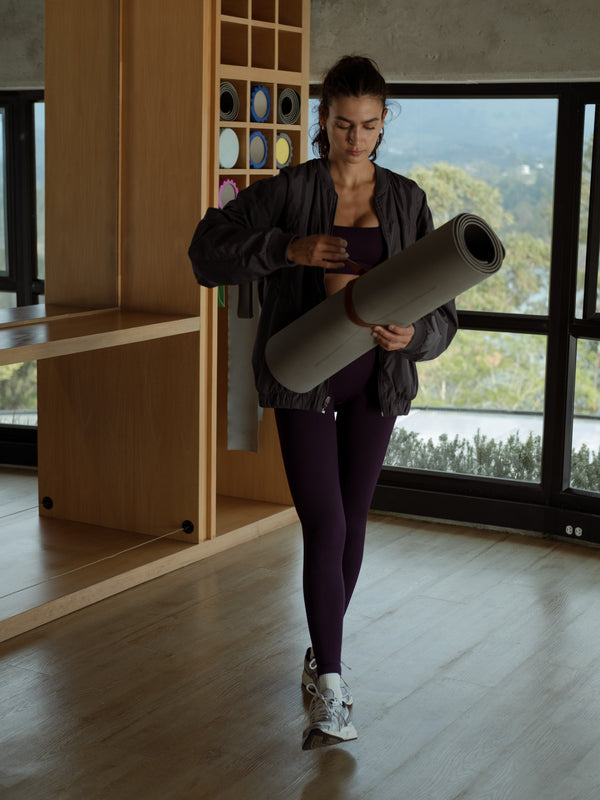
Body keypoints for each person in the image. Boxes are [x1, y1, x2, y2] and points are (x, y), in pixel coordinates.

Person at [189, 55, 458, 750]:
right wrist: (287, 248)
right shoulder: (290, 189)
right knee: (325, 521)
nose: (357, 137)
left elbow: (442, 312)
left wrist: (415, 333)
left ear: (383, 121)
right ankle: (332, 688)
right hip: (303, 374)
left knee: (354, 520)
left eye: (370, 125)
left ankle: (319, 659)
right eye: (343, 123)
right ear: (323, 119)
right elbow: (206, 251)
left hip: (377, 380)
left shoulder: (405, 199)